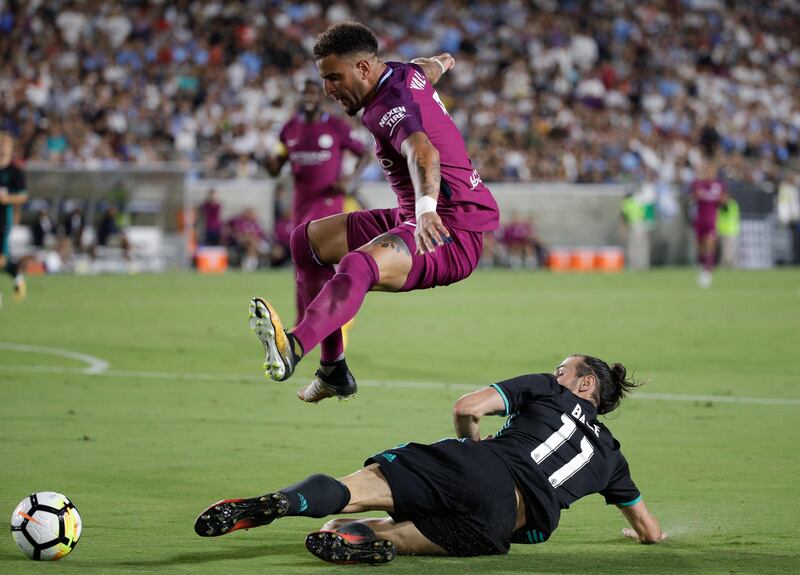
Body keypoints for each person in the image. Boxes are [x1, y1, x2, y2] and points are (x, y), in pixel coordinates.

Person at [194, 354, 665, 565]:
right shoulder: (612, 458)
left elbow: (467, 408)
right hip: (501, 524)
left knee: (355, 490)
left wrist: (471, 446)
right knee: (387, 535)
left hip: (481, 466)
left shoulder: (547, 388)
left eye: (564, 369)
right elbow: (649, 530)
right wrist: (637, 533)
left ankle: (279, 503)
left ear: (585, 385)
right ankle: (364, 542)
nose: (556, 372)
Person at [250, 22, 499, 403]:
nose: (328, 90)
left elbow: (423, 151)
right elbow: (424, 68)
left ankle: (294, 347)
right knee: (306, 241)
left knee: (358, 264)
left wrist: (428, 210)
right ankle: (333, 370)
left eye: (334, 77)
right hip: (412, 215)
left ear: (364, 68)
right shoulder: (403, 73)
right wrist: (441, 64)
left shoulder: (389, 106)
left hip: (449, 232)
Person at [264, 79, 370, 333]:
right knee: (302, 264)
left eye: (313, 93)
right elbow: (277, 166)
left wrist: (348, 179)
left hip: (328, 201)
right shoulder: (289, 129)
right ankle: (305, 322)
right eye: (304, 93)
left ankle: (330, 316)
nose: (308, 97)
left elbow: (365, 154)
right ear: (299, 97)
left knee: (318, 256)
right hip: (300, 204)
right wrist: (268, 162)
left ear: (321, 97)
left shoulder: (335, 126)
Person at [0, 131, 28, 304]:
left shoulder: (15, 172)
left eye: (5, 144)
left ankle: (15, 272)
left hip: (2, 220)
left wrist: (6, 199)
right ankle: (16, 271)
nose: (2, 147)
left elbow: (23, 196)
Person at [690, 160, 726, 288]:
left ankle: (707, 271)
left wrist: (722, 200)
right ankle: (702, 265)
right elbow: (692, 199)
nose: (710, 173)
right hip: (699, 219)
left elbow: (724, 201)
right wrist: (695, 195)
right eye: (708, 170)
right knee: (700, 245)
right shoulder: (698, 184)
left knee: (710, 243)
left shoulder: (719, 185)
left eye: (713, 170)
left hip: (711, 220)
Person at [716, 195, 740, 268]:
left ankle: (726, 266)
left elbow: (726, 210)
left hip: (729, 231)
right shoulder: (723, 205)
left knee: (728, 251)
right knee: (726, 250)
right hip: (723, 230)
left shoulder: (730, 204)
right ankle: (731, 265)